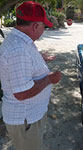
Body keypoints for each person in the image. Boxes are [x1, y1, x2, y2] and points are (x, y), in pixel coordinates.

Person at [0, 1, 62, 150]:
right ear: (35, 26)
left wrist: (38, 58)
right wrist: (50, 79)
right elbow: (22, 93)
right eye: (43, 26)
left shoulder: (19, 41)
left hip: (29, 116)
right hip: (26, 119)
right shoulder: (19, 50)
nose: (44, 30)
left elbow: (21, 64)